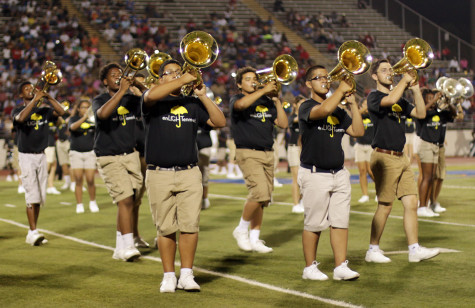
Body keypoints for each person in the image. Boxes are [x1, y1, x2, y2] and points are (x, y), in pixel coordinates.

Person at [141, 59, 225, 293]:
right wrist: (184, 78)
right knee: (165, 228)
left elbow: (219, 121)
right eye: (170, 73)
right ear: (160, 78)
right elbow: (149, 95)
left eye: (179, 72)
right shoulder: (153, 100)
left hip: (189, 171)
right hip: (159, 173)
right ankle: (168, 275)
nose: (176, 75)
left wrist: (203, 96)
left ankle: (187, 274)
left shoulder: (191, 102)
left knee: (190, 226)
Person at [365, 59, 440, 263]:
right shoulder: (374, 97)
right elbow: (388, 101)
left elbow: (421, 114)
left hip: (401, 157)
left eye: (391, 69)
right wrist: (404, 80)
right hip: (383, 156)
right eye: (384, 70)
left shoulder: (400, 99)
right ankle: (372, 249)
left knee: (411, 202)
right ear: (374, 76)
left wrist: (415, 89)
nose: (389, 72)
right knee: (385, 205)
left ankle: (414, 249)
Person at [299, 65, 363, 281]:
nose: (325, 81)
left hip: (340, 173)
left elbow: (358, 131)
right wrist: (340, 90)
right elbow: (323, 110)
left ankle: (340, 267)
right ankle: (309, 268)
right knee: (314, 223)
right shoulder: (305, 106)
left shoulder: (337, 109)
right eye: (319, 78)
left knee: (340, 221)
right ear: (309, 83)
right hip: (315, 173)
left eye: (327, 77)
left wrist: (353, 105)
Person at [93, 62, 147, 262]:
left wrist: (138, 86)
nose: (117, 77)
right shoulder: (100, 99)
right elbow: (103, 114)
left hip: (131, 155)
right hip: (109, 155)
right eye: (113, 75)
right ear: (105, 81)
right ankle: (129, 245)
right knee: (124, 199)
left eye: (120, 74)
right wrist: (123, 90)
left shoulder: (132, 99)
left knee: (130, 201)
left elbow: (151, 100)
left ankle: (119, 247)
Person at [230, 66, 288, 254]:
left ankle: (255, 239)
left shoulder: (266, 100)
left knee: (264, 199)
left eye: (255, 78)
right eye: (248, 79)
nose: (253, 81)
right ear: (239, 84)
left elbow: (283, 123)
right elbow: (240, 107)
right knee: (260, 193)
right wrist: (263, 89)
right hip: (248, 152)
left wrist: (276, 100)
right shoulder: (237, 99)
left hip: (267, 152)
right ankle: (240, 229)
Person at [12, 80, 66, 245]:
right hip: (26, 156)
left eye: (32, 88)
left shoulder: (44, 110)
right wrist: (35, 100)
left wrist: (48, 96)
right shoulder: (18, 109)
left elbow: (61, 111)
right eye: (26, 89)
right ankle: (34, 231)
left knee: (40, 197)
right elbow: (20, 119)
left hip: (41, 155)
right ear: (21, 94)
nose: (30, 90)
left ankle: (32, 231)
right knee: (31, 196)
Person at [415, 89, 454, 217]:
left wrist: (449, 102)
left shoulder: (440, 112)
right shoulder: (422, 111)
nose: (432, 100)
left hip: (436, 146)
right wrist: (435, 99)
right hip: (426, 145)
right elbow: (421, 112)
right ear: (424, 99)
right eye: (429, 98)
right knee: (426, 177)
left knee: (431, 177)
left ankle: (426, 206)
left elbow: (453, 114)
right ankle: (421, 207)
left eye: (433, 97)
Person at [430, 93, 463, 213]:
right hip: (429, 146)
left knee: (440, 176)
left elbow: (459, 116)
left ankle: (434, 201)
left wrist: (454, 103)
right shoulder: (429, 112)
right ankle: (428, 201)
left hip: (440, 147)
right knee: (430, 176)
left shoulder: (444, 113)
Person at [128, 73, 150, 249]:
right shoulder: (127, 103)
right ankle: (130, 235)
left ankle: (135, 235)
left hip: (149, 155)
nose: (141, 87)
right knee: (132, 199)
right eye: (137, 84)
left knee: (140, 199)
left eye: (143, 84)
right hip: (133, 155)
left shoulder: (151, 103)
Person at [68, 98, 98, 214]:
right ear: (79, 109)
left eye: (87, 107)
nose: (85, 109)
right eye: (83, 107)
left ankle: (92, 201)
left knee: (90, 179)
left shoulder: (93, 120)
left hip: (90, 152)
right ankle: (79, 204)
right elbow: (73, 128)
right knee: (79, 179)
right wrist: (85, 118)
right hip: (76, 152)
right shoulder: (74, 119)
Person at [354, 98, 375, 203]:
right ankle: (365, 195)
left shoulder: (373, 114)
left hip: (371, 146)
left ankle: (379, 191)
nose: (367, 106)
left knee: (371, 171)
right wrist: (363, 109)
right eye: (364, 104)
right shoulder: (359, 115)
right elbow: (353, 116)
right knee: (362, 171)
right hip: (360, 145)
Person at [287, 95, 305, 213]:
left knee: (305, 178)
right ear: (295, 105)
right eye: (300, 103)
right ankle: (295, 204)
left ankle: (303, 201)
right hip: (294, 148)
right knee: (296, 178)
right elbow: (293, 121)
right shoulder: (293, 116)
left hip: (305, 149)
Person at [197, 124, 213, 210]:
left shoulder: (204, 112)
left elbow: (216, 124)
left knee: (204, 172)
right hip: (189, 145)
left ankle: (204, 198)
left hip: (204, 144)